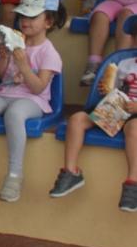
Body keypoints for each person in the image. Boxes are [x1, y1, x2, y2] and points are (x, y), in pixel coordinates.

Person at [0, 0, 65, 202]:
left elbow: (39, 88)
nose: (25, 21)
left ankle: (15, 175)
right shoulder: (13, 42)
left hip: (33, 100)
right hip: (5, 93)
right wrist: (4, 58)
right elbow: (1, 76)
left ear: (48, 22)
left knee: (15, 114)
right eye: (23, 16)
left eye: (32, 16)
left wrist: (23, 64)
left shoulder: (48, 52)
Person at [48, 57, 137, 212]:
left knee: (134, 129)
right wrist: (106, 89)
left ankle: (133, 184)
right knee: (76, 120)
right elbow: (114, 90)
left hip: (135, 117)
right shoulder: (124, 64)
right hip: (115, 109)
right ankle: (71, 173)